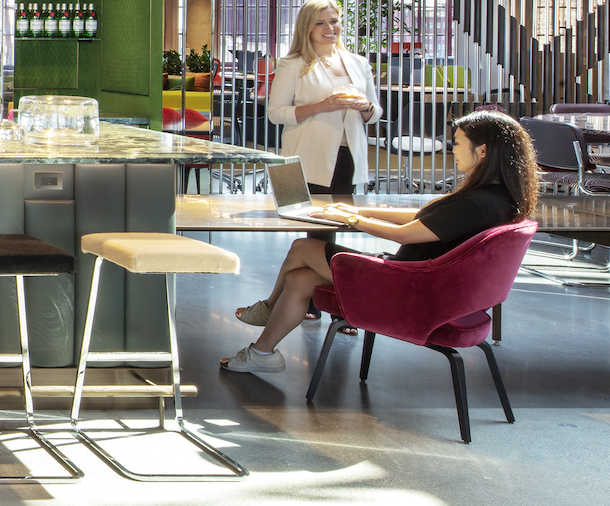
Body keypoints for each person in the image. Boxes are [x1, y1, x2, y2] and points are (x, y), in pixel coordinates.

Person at [222, 110, 540, 373]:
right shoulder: (497, 199)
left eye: (457, 143)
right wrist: (353, 209)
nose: (451, 149)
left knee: (303, 247)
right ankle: (262, 354)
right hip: (420, 283)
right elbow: (424, 216)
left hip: (407, 291)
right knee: (300, 280)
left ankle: (267, 308)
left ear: (482, 150)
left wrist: (350, 219)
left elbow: (406, 233)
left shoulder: (475, 204)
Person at [267, 0, 381, 196]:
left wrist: (366, 106)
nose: (330, 28)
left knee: (341, 217)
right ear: (307, 28)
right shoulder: (292, 65)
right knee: (317, 224)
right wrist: (320, 106)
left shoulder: (359, 63)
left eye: (334, 21)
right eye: (320, 23)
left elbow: (375, 112)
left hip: (350, 156)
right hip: (309, 156)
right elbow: (275, 113)